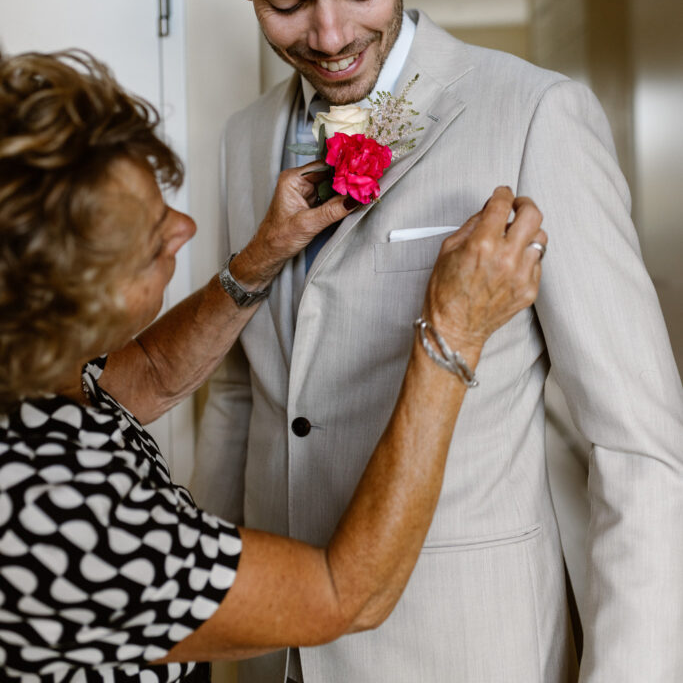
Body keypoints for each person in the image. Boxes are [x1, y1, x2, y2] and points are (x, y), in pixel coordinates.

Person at [191, 0, 683, 683]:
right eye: (286, 1)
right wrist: (210, 637)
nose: (331, 34)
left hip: (465, 651)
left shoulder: (537, 117)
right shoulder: (239, 142)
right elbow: (238, 399)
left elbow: (636, 449)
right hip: (275, 652)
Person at [0, 48, 545, 682]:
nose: (185, 227)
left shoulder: (35, 379)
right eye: (154, 241)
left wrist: (261, 257)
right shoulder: (55, 514)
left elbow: (143, 374)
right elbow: (346, 594)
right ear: (63, 300)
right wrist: (452, 333)